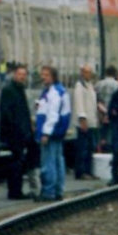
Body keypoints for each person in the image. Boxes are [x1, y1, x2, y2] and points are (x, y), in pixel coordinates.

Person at [34, 65, 71, 201]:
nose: (43, 77)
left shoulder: (54, 92)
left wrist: (46, 133)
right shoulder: (57, 91)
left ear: (53, 76)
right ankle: (58, 190)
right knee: (57, 161)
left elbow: (53, 115)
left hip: (51, 132)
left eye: (46, 75)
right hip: (57, 132)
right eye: (42, 74)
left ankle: (48, 191)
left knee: (48, 162)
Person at [0, 63, 35, 200]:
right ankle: (14, 192)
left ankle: (16, 190)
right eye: (20, 74)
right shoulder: (9, 90)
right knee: (16, 163)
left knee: (19, 163)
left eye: (24, 75)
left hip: (20, 133)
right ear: (15, 75)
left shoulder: (19, 89)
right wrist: (17, 129)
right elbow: (7, 112)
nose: (22, 77)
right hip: (14, 134)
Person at [72, 65, 100, 180]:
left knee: (89, 148)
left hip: (92, 122)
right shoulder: (80, 86)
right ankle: (81, 171)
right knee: (83, 148)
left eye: (90, 72)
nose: (88, 74)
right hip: (84, 123)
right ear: (82, 73)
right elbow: (79, 103)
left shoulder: (90, 85)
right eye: (86, 72)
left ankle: (88, 171)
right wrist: (82, 119)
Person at [94, 66, 118, 150]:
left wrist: (103, 110)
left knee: (101, 133)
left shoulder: (98, 84)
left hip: (101, 113)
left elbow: (95, 99)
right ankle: (110, 149)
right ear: (115, 74)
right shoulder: (117, 85)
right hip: (113, 114)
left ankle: (101, 147)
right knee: (112, 134)